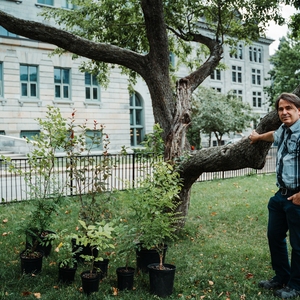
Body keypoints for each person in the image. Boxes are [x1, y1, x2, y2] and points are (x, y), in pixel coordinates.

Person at [249, 92, 300, 299]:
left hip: (297, 198)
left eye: (289, 108)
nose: (284, 112)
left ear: (299, 110)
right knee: (274, 236)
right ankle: (282, 276)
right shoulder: (284, 130)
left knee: (298, 245)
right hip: (280, 197)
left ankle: (296, 285)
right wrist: (258, 137)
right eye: (281, 109)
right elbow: (273, 135)